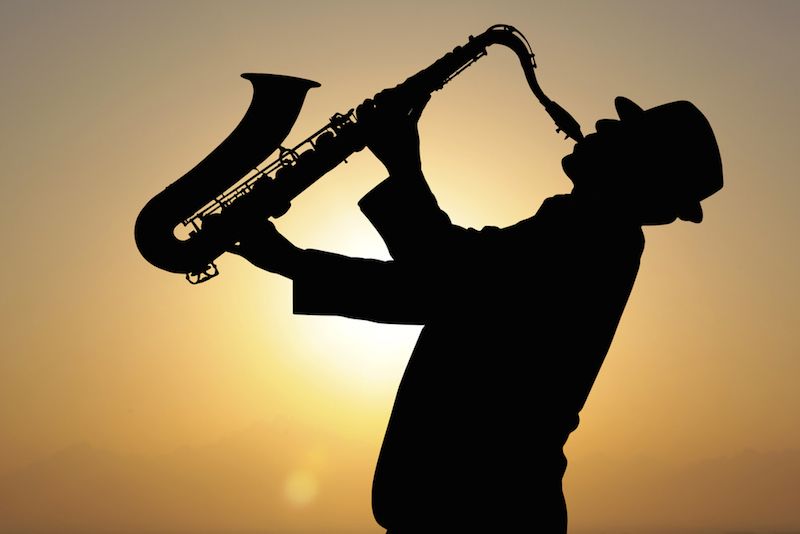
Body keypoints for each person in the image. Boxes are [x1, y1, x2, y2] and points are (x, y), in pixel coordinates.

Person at [230, 92, 723, 532]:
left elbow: (444, 276)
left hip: (479, 515)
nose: (601, 126)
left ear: (639, 167)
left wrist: (403, 168)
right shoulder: (586, 230)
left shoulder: (593, 237)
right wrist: (288, 261)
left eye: (623, 133)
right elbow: (440, 293)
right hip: (481, 511)